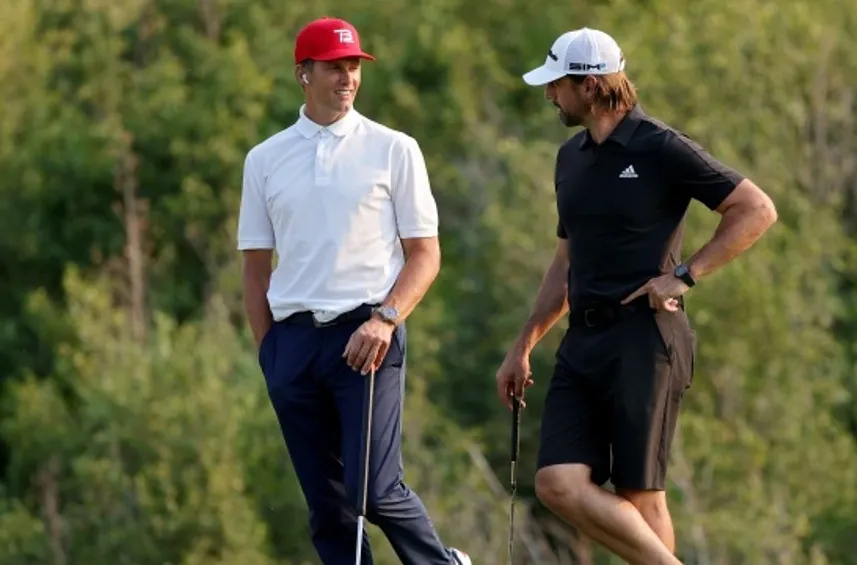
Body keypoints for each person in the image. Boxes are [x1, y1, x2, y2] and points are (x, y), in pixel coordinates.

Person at [494, 27, 778, 565]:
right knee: (556, 482)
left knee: (640, 496)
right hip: (583, 342)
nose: (549, 94)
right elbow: (564, 261)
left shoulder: (660, 146)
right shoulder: (570, 157)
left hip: (645, 339)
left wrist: (686, 274)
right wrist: (523, 344)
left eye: (557, 84)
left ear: (592, 84)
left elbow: (756, 209)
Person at [237, 16, 471, 565]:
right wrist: (268, 351)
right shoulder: (264, 160)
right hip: (292, 344)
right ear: (303, 73)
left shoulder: (394, 149)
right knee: (327, 507)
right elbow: (254, 267)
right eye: (334, 67)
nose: (347, 78)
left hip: (367, 336)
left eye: (353, 67)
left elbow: (426, 255)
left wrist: (386, 318)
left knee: (374, 490)